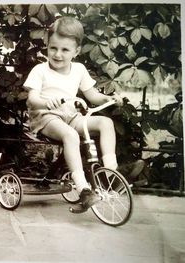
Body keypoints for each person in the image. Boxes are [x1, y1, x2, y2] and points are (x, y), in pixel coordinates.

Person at [24, 16, 141, 209]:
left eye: (65, 50)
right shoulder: (40, 70)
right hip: (46, 117)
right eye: (53, 48)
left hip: (71, 115)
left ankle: (111, 171)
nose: (58, 54)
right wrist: (46, 101)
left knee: (105, 123)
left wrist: (108, 99)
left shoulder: (78, 69)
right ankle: (83, 189)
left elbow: (92, 95)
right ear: (47, 45)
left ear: (76, 51)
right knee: (70, 135)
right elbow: (32, 99)